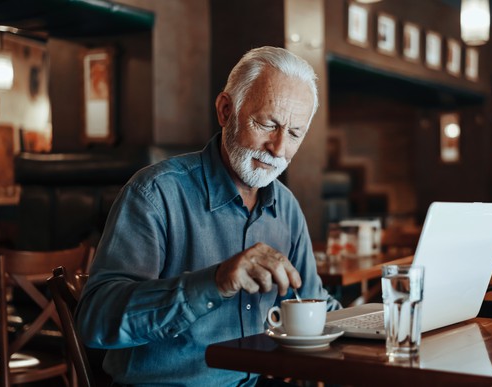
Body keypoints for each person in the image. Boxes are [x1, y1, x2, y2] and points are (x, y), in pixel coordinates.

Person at [75, 46, 341, 386]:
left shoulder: (286, 207)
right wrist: (214, 282)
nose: (278, 148)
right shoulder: (156, 193)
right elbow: (95, 321)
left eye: (293, 134)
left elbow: (313, 305)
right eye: (267, 123)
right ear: (225, 110)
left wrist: (386, 315)